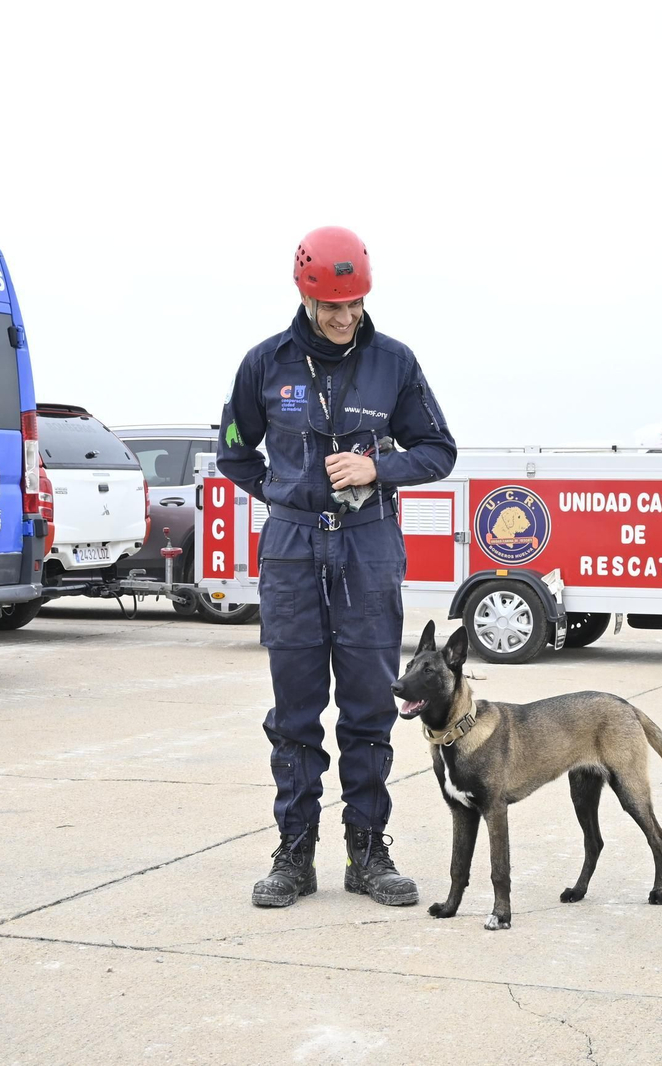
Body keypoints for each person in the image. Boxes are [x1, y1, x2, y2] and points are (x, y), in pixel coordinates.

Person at [218, 226, 456, 908]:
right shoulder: (265, 365)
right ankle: (294, 856)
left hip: (368, 547)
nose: (345, 316)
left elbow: (439, 449)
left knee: (368, 710)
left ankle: (368, 853)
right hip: (292, 552)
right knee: (294, 713)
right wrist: (282, 493)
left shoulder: (394, 363)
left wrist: (378, 467)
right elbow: (236, 452)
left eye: (354, 302)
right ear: (304, 293)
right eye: (332, 305)